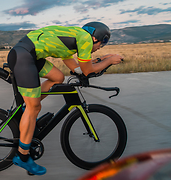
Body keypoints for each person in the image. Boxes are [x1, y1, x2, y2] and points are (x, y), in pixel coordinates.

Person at [7, 22, 124, 175]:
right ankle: (22, 156)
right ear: (95, 38)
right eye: (103, 42)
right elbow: (87, 71)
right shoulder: (85, 39)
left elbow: (77, 68)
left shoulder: (75, 39)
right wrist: (109, 61)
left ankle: (25, 109)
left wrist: (102, 59)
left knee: (58, 77)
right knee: (34, 108)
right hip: (24, 56)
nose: (100, 47)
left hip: (28, 54)